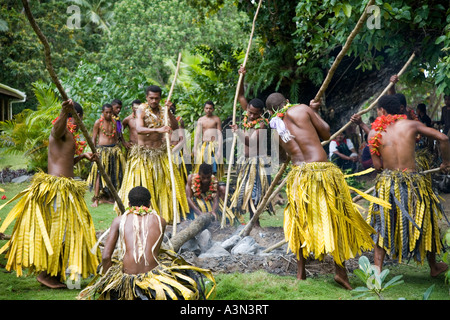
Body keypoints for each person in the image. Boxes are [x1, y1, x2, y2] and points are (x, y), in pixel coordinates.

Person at [265, 92, 390, 290]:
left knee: (300, 222)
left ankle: (301, 273)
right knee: (334, 220)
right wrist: (312, 112)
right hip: (322, 171)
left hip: (300, 176)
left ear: (271, 111)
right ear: (287, 102)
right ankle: (340, 272)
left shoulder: (273, 126)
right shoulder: (302, 109)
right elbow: (326, 133)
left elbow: (282, 156)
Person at [0, 100, 101, 289]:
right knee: (59, 232)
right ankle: (45, 275)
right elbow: (55, 130)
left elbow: (64, 159)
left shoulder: (69, 135)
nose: (81, 122)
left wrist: (83, 157)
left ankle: (52, 273)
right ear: (77, 117)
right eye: (80, 118)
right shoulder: (61, 130)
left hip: (66, 189)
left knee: (67, 232)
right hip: (57, 190)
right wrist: (64, 112)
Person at [78, 186, 216, 300]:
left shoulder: (119, 221)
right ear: (149, 204)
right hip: (154, 278)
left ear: (129, 204)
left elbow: (106, 257)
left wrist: (109, 280)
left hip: (127, 278)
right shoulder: (160, 221)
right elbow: (155, 250)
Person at [367, 95, 449, 276]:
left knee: (381, 225)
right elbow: (443, 138)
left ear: (382, 111)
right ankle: (434, 267)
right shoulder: (411, 125)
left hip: (387, 184)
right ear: (400, 110)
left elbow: (377, 166)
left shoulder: (374, 133)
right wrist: (446, 163)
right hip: (413, 182)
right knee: (424, 221)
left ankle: (377, 271)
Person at [115, 85, 189, 224]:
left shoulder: (163, 110)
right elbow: (139, 129)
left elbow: (174, 127)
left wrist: (169, 112)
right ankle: (135, 213)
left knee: (163, 185)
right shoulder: (141, 110)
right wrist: (160, 129)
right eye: (151, 98)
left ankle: (162, 216)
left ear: (160, 98)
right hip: (143, 154)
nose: (154, 101)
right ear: (147, 98)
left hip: (160, 154)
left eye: (156, 98)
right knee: (141, 184)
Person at [227, 65, 274, 227]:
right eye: (250, 111)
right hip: (245, 162)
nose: (251, 115)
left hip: (257, 162)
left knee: (255, 192)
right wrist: (242, 76)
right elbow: (240, 95)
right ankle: (250, 221)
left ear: (261, 113)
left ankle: (255, 222)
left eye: (255, 113)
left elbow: (251, 142)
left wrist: (238, 132)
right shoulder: (248, 116)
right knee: (244, 190)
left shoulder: (261, 124)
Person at [87, 103, 126, 207]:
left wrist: (119, 146)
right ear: (102, 112)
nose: (109, 114)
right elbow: (94, 138)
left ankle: (111, 197)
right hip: (102, 151)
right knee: (99, 174)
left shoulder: (114, 122)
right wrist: (94, 151)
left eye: (110, 112)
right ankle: (96, 199)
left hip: (113, 150)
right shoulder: (98, 123)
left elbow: (118, 136)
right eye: (106, 112)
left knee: (114, 173)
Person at [193, 101, 223, 180]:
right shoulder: (201, 120)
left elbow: (219, 134)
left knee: (213, 166)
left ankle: (213, 184)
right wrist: (195, 148)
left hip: (214, 145)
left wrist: (219, 149)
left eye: (210, 108)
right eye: (206, 108)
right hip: (204, 145)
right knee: (202, 166)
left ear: (213, 109)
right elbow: (197, 134)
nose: (208, 110)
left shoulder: (216, 119)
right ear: (204, 109)